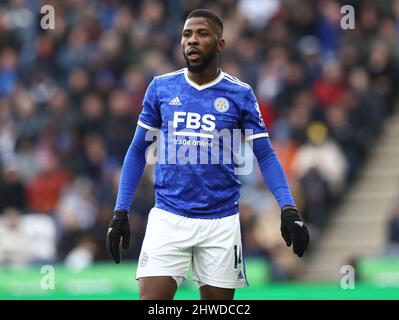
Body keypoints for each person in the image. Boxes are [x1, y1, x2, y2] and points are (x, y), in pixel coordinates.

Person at [106, 9, 309, 300]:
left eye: (202, 34)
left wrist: (288, 209)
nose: (192, 41)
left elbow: (264, 154)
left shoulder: (240, 94)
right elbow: (138, 150)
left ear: (220, 44)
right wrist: (120, 211)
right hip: (168, 217)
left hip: (221, 222)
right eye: (187, 34)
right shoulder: (161, 88)